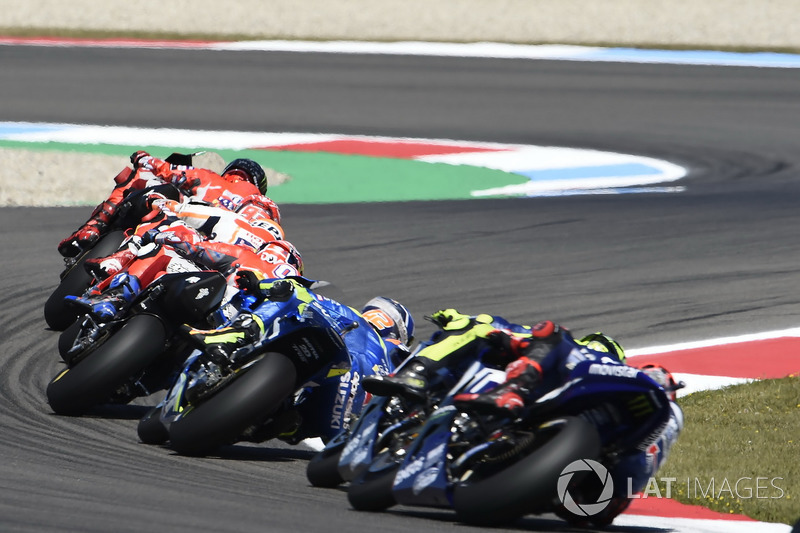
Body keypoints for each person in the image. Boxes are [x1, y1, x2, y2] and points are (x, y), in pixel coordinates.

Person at [362, 309, 684, 528]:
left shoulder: (619, 378)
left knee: (552, 334)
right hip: (594, 502)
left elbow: (535, 337)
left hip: (600, 482)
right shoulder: (655, 424)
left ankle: (511, 392)